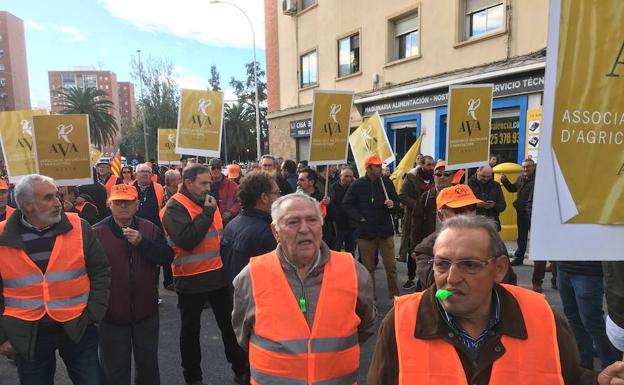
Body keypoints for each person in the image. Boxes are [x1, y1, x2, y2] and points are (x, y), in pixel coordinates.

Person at [367, 214, 624, 385]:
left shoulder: (541, 316)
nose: (452, 278)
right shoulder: (401, 322)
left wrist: (598, 381)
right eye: (442, 264)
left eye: (469, 265)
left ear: (500, 269)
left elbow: (568, 378)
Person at [232, 193, 376, 385]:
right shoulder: (251, 276)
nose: (304, 229)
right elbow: (243, 335)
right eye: (293, 222)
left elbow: (367, 325)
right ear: (275, 231)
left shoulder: (353, 271)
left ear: (321, 226)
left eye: (312, 220)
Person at [0, 174, 111, 384]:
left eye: (57, 196)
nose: (57, 203)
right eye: (48, 198)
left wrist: (93, 314)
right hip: (28, 333)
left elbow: (101, 271)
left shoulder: (80, 227)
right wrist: (3, 337)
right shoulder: (2, 235)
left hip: (78, 326)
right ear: (26, 204)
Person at [161, 164, 248, 385]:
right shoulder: (174, 207)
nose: (209, 187)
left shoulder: (208, 201)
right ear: (188, 183)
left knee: (230, 328)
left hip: (217, 276)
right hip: (190, 279)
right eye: (204, 183)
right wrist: (208, 213)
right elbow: (187, 240)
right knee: (190, 333)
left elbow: (219, 236)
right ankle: (193, 378)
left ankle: (241, 371)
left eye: (210, 182)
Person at [93, 184, 174, 385]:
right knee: (114, 373)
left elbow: (166, 257)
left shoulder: (150, 229)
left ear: (137, 205)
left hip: (145, 315)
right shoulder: (96, 233)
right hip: (111, 318)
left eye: (128, 202)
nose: (123, 206)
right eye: (118, 202)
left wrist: (143, 243)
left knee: (148, 369)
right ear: (109, 204)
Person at [413, 184, 517, 289]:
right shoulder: (427, 248)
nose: (467, 214)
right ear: (441, 216)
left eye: (471, 207)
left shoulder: (492, 241)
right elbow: (442, 289)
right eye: (459, 210)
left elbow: (509, 282)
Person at [343, 154, 400, 298]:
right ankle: (371, 299)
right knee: (368, 269)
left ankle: (394, 296)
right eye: (377, 166)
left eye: (381, 165)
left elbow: (397, 203)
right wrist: (359, 219)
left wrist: (393, 205)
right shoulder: (358, 184)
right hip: (366, 234)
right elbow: (347, 203)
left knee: (391, 267)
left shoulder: (387, 183)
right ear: (368, 168)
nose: (381, 168)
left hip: (385, 232)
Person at [556, 260, 618, 370]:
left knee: (592, 321)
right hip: (563, 267)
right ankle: (584, 364)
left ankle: (610, 365)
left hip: (588, 271)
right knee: (573, 318)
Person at [221, 171, 278, 283]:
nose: (280, 197)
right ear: (264, 197)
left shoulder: (232, 224)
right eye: (277, 193)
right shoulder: (266, 233)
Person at [398, 155, 435, 289]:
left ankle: (426, 277)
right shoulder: (411, 178)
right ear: (422, 165)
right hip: (414, 219)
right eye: (429, 165)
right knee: (414, 248)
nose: (432, 168)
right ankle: (410, 277)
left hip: (431, 221)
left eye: (433, 165)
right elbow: (402, 196)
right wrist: (419, 205)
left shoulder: (435, 178)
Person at [500, 159, 535, 266]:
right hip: (521, 211)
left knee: (535, 237)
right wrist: (505, 181)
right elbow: (512, 189)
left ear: (533, 167)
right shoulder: (521, 178)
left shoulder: (538, 179)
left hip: (533, 213)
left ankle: (543, 260)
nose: (525, 169)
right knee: (521, 236)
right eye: (524, 167)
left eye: (528, 167)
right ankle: (519, 257)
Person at [468, 164, 507, 231]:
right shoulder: (467, 184)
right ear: (477, 171)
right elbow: (461, 207)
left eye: (488, 177)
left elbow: (502, 206)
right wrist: (475, 205)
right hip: (474, 224)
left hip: (492, 224)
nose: (486, 179)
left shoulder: (496, 185)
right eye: (483, 176)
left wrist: (494, 205)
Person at [330, 166, 357, 253]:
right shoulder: (332, 188)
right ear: (340, 176)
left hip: (351, 226)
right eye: (346, 176)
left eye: (350, 176)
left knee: (351, 251)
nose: (349, 179)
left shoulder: (354, 188)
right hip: (338, 226)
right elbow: (332, 205)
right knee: (336, 251)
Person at [208, 158, 241, 226]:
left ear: (222, 168)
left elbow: (239, 201)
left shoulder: (232, 185)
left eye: (218, 167)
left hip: (228, 223)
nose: (216, 170)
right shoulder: (205, 184)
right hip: (210, 222)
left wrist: (230, 212)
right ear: (209, 169)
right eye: (213, 168)